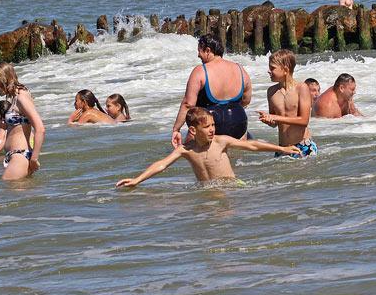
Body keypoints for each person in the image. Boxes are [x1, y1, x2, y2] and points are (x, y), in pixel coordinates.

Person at [116, 107, 300, 187]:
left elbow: (251, 145)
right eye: (207, 127)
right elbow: (162, 164)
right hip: (206, 190)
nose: (212, 130)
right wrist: (137, 180)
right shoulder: (186, 150)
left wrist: (282, 149)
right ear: (193, 131)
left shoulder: (220, 141)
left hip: (233, 187)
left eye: (213, 125)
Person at [171, 34, 252, 147]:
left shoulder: (200, 71)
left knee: (189, 152)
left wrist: (176, 129)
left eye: (200, 51)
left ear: (208, 50)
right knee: (235, 160)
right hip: (239, 122)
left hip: (211, 124)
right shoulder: (239, 69)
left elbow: (188, 104)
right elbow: (246, 99)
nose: (198, 55)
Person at [0, 62, 45, 180]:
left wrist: (34, 158)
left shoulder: (21, 97)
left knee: (5, 191)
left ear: (2, 80)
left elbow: (40, 128)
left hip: (20, 156)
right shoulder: (14, 97)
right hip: (15, 157)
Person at [258, 49, 317, 158]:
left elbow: (304, 120)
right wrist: (269, 120)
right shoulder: (271, 92)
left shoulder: (301, 88)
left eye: (272, 68)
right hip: (283, 147)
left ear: (285, 69)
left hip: (303, 146)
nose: (269, 71)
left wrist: (275, 117)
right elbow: (275, 123)